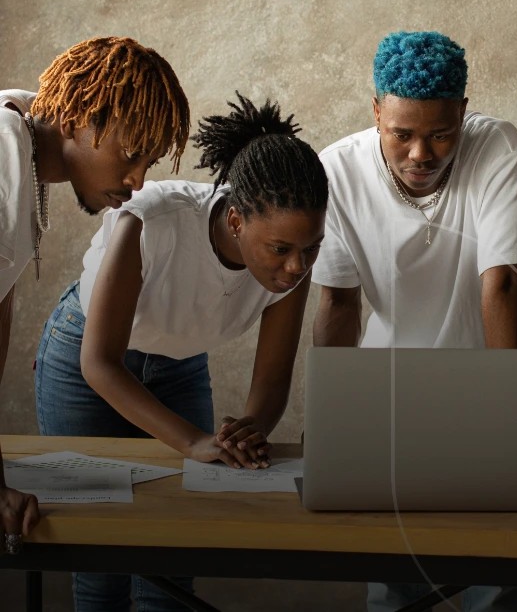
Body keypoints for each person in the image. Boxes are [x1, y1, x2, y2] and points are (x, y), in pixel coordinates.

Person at [35, 92, 327, 611]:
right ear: (236, 221)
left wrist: (251, 428)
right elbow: (99, 362)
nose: (295, 267)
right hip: (85, 364)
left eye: (311, 248)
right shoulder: (151, 220)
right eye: (280, 250)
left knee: (172, 563)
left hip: (178, 366)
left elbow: (273, 379)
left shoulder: (294, 260)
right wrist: (192, 440)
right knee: (101, 561)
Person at [312, 31, 517, 612]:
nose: (421, 155)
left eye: (440, 134)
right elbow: (338, 303)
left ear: (463, 112)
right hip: (383, 396)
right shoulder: (334, 169)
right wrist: (331, 414)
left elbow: (502, 283)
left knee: (495, 578)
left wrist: (509, 422)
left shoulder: (496, 146)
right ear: (376, 111)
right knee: (395, 583)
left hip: (482, 392)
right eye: (401, 134)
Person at [0, 36, 189, 555]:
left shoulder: (20, 147)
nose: (136, 181)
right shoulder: (1, 162)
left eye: (149, 163)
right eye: (131, 155)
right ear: (76, 118)